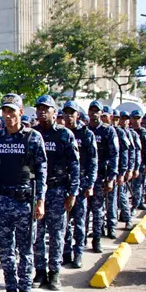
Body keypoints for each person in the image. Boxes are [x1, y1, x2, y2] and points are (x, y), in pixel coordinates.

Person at [0, 94, 46, 292]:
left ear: (21, 112)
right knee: (5, 250)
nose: (8, 115)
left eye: (13, 111)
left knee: (25, 249)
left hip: (25, 203)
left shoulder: (33, 137)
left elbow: (41, 171)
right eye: (5, 111)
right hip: (2, 201)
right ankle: (10, 290)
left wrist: (40, 200)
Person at [31, 96, 79, 291]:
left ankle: (54, 273)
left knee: (57, 233)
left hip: (58, 189)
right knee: (37, 234)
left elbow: (74, 165)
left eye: (46, 108)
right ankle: (40, 271)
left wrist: (73, 192)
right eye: (39, 108)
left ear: (54, 112)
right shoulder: (32, 134)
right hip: (36, 192)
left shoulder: (65, 135)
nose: (42, 111)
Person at [61, 102, 97, 268]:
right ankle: (66, 253)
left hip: (80, 185)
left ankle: (79, 254)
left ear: (78, 115)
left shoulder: (86, 134)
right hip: (62, 184)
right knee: (64, 223)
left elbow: (92, 161)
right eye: (66, 113)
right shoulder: (61, 134)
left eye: (72, 113)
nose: (68, 116)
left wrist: (90, 183)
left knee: (79, 221)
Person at [86, 101, 118, 253]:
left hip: (100, 176)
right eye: (91, 110)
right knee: (83, 211)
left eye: (96, 111)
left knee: (97, 210)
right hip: (85, 176)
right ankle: (82, 240)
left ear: (101, 113)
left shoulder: (108, 131)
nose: (93, 113)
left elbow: (114, 155)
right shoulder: (84, 130)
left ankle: (97, 239)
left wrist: (112, 177)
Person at [101, 106, 128, 239]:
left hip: (111, 171)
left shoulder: (117, 132)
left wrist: (122, 172)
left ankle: (111, 227)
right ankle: (100, 228)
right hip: (99, 172)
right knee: (98, 205)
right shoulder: (96, 130)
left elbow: (122, 153)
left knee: (112, 201)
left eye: (106, 116)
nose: (103, 118)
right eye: (102, 115)